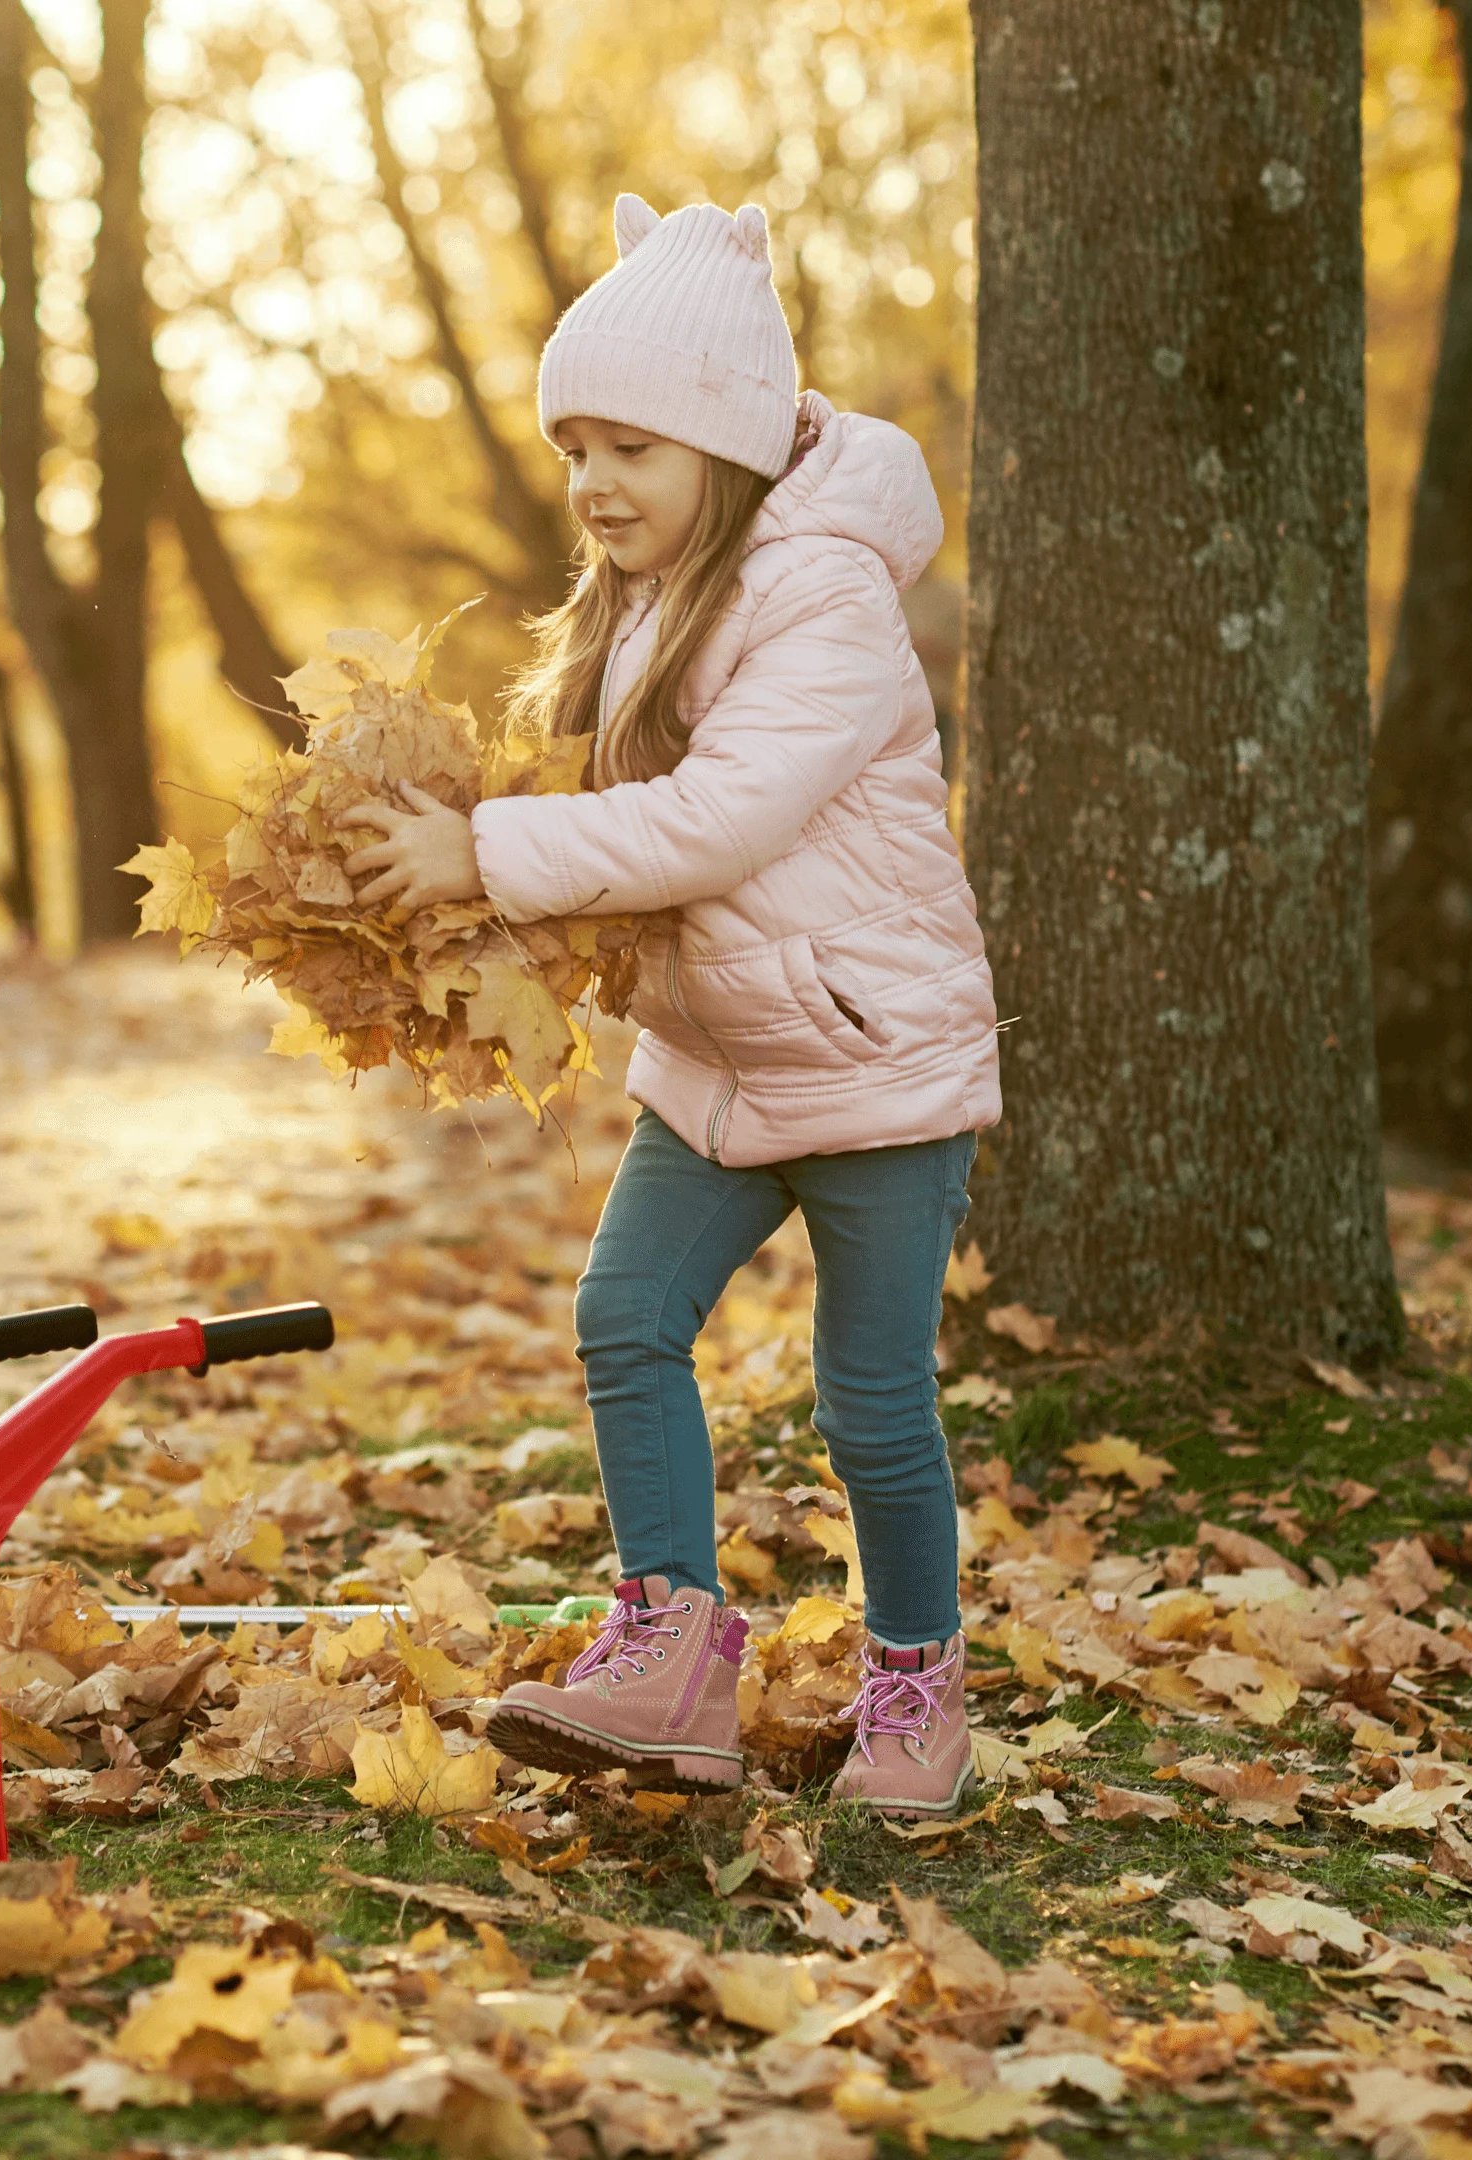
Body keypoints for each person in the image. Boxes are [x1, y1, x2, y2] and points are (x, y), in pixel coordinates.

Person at [341, 192, 1000, 1817]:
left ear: (729, 441)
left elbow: (717, 822)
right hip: (714, 1065)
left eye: (630, 445)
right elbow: (617, 819)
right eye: (575, 447)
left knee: (872, 1408)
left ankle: (916, 1680)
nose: (593, 482)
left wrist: (482, 854)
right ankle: (673, 1651)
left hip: (870, 1063)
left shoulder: (823, 598)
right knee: (622, 1321)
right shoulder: (637, 605)